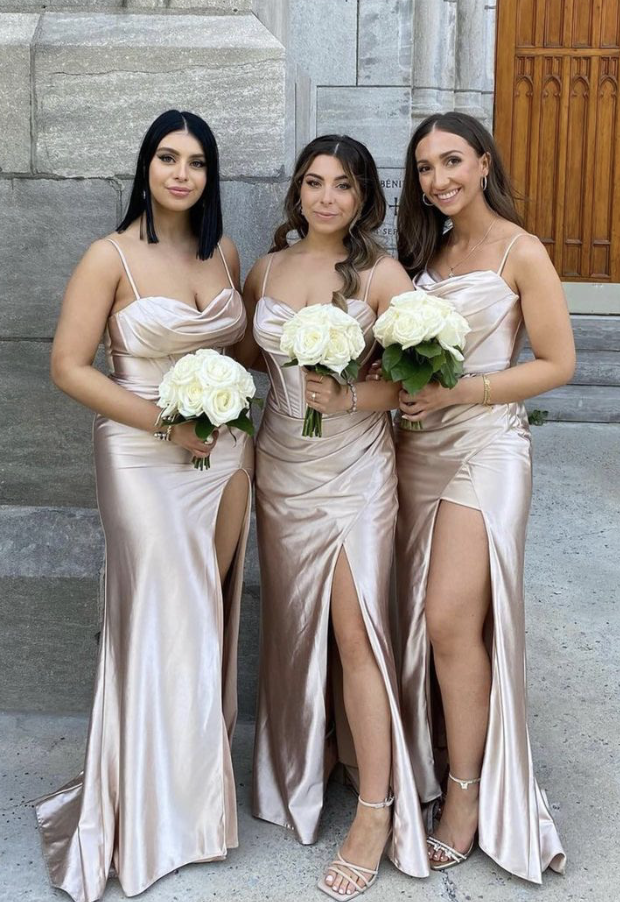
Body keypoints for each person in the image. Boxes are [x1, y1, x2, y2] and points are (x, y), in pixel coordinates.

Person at [35, 109, 253, 902]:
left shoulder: (224, 251)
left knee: (204, 616)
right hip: (141, 451)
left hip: (225, 456)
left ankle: (195, 810)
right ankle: (144, 817)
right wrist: (167, 420)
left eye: (196, 161)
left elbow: (243, 353)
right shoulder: (110, 257)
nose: (182, 174)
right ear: (147, 164)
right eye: (168, 157)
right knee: (160, 616)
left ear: (209, 174)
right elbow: (69, 367)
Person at [236, 134, 430, 900]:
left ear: (363, 198)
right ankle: (308, 760)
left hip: (355, 474)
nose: (325, 198)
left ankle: (377, 812)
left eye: (342, 185)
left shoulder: (382, 275)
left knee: (356, 634)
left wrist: (349, 394)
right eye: (314, 182)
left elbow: (416, 388)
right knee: (293, 625)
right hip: (280, 471)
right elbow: (251, 358)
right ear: (298, 191)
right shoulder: (267, 269)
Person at [393, 111, 574, 880]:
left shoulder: (520, 251)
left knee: (449, 621)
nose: (440, 180)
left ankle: (466, 796)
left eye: (453, 162)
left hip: (487, 446)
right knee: (423, 620)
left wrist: (465, 391)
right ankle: (434, 759)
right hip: (414, 450)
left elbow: (558, 362)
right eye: (427, 168)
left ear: (485, 162)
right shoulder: (421, 249)